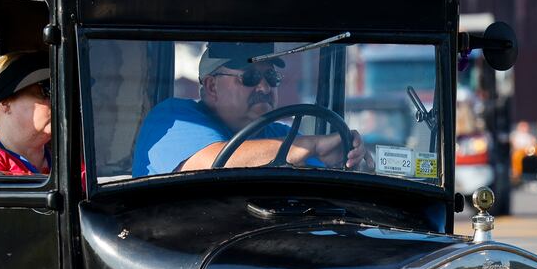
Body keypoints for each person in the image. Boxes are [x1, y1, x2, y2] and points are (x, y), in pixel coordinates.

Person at [131, 42, 365, 176]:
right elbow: (210, 164)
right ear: (212, 86)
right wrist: (310, 146)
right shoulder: (175, 118)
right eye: (251, 77)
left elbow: (320, 161)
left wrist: (349, 156)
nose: (264, 86)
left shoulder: (279, 135)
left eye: (271, 76)